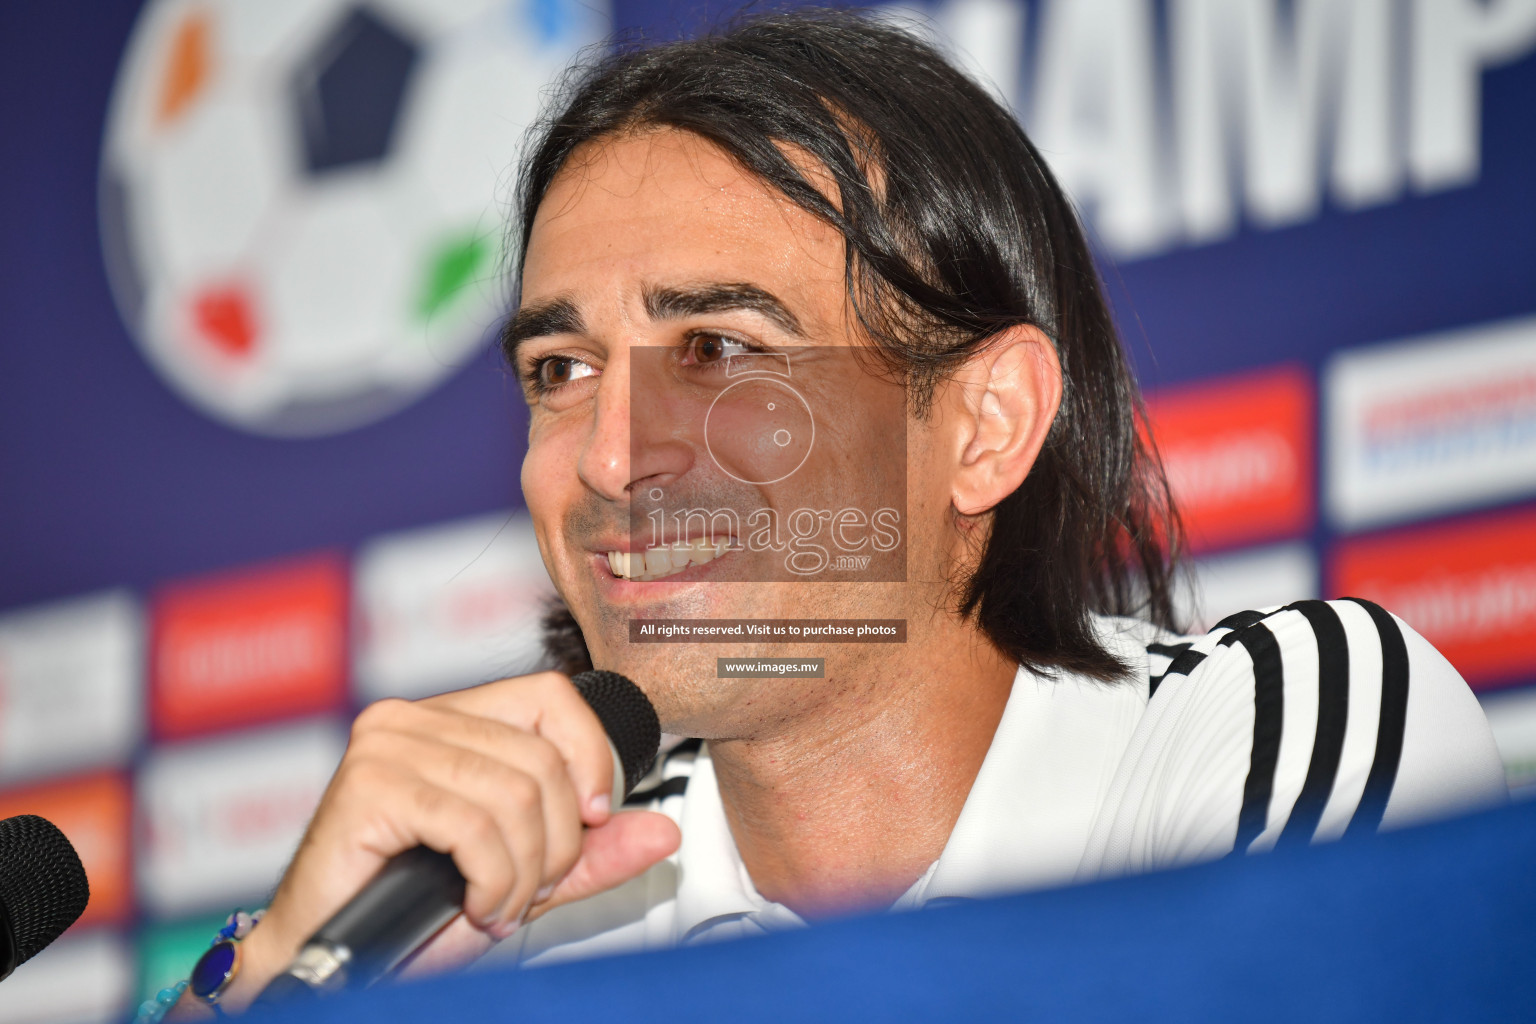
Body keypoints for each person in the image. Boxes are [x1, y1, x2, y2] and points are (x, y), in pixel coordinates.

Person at [184, 9, 1505, 1012]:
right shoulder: (516, 914)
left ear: (983, 427)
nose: (611, 456)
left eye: (718, 350)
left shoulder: (1273, 721)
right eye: (560, 371)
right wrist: (286, 973)